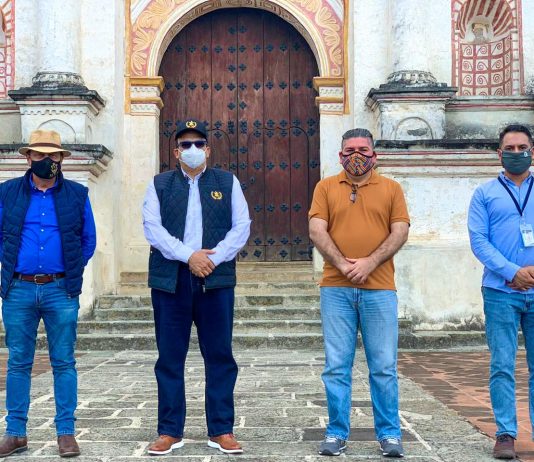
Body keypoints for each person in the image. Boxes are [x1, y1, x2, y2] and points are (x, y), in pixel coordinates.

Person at [142, 119, 251, 456]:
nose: (192, 149)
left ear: (208, 149)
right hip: (170, 280)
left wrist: (211, 259)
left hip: (215, 280)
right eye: (185, 145)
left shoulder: (227, 182)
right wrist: (189, 256)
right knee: (169, 357)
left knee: (220, 355)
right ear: (176, 152)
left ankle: (221, 429)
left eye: (198, 144)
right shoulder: (159, 184)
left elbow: (241, 227)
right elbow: (152, 228)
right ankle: (169, 431)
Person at [309, 128, 410, 458]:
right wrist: (343, 264)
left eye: (363, 150)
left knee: (383, 366)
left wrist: (369, 262)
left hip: (379, 288)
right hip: (336, 289)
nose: (356, 155)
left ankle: (390, 434)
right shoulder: (325, 187)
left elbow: (400, 231)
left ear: (374, 155)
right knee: (336, 366)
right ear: (340, 155)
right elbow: (316, 229)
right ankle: (336, 432)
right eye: (350, 150)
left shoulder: (391, 188)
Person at [0, 129, 97, 458]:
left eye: (52, 155)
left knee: (64, 362)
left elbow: (88, 240)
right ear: (28, 157)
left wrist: (69, 269)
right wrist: (14, 264)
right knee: (18, 362)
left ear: (61, 159)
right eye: (39, 154)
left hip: (60, 290)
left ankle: (66, 433)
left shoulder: (78, 194)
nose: (46, 160)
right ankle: (15, 433)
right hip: (18, 289)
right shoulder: (7, 192)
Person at [468, 124, 534, 460]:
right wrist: (512, 272)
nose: (516, 153)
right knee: (502, 365)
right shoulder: (484, 194)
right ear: (499, 153)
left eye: (522, 147)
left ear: (532, 151)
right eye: (510, 148)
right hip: (499, 291)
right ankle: (505, 434)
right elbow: (479, 241)